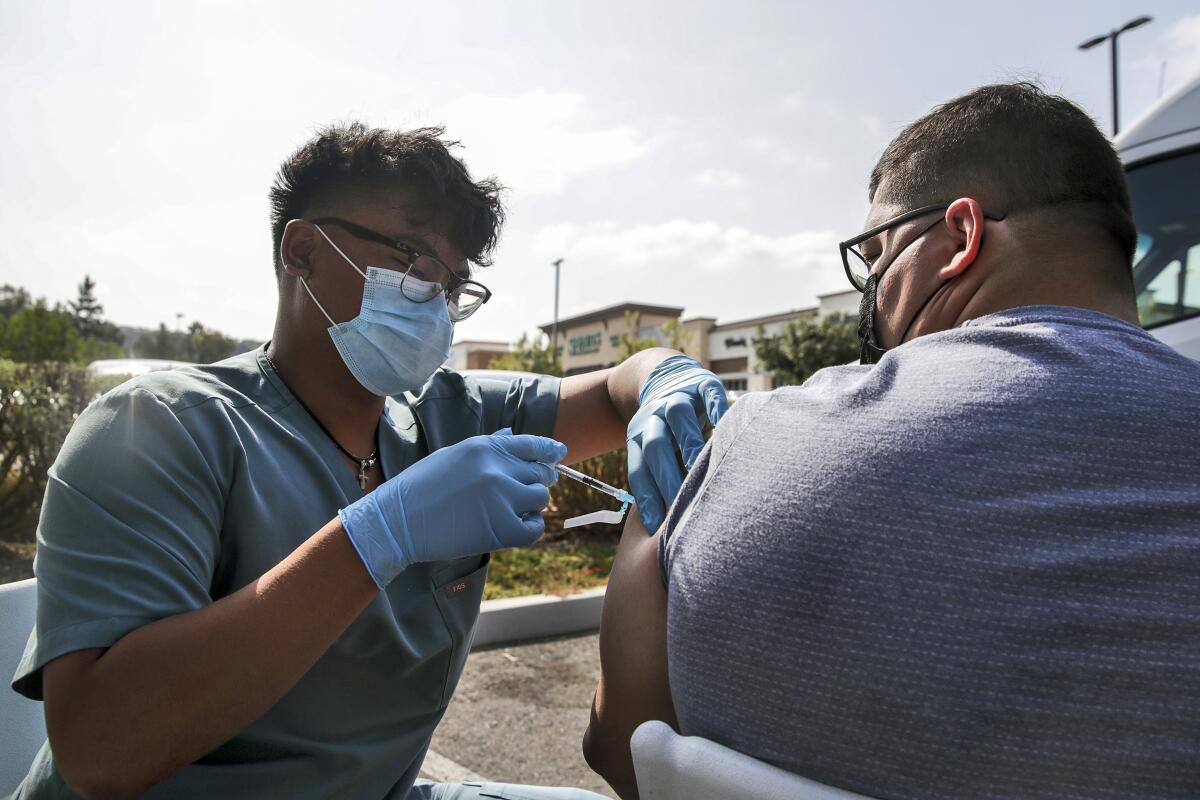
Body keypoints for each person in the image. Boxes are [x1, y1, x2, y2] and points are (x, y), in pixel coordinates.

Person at [9, 123, 728, 800]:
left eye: (453, 286)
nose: (437, 306)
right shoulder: (158, 430)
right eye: (414, 264)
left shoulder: (449, 413)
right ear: (302, 252)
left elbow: (612, 390)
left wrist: (668, 376)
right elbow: (100, 749)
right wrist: (377, 536)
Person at [583, 82, 1200, 800]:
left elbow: (619, 749)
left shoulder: (730, 449)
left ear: (960, 238)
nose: (870, 286)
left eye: (876, 253)